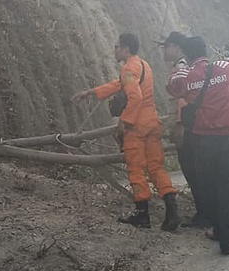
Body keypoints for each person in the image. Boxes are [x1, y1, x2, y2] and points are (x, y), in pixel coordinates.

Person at [73, 33, 180, 231]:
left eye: (116, 47)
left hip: (137, 126)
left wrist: (124, 121)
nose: (114, 50)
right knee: (156, 167)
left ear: (125, 49)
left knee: (136, 169)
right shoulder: (143, 65)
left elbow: (135, 97)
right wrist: (92, 92)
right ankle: (172, 212)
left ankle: (142, 215)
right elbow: (119, 84)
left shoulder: (129, 67)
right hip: (152, 122)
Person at [166, 37, 229, 255]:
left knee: (210, 187)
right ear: (205, 52)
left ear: (187, 55)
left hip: (203, 141)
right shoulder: (222, 67)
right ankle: (227, 241)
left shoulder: (187, 75)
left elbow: (174, 88)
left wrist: (180, 67)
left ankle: (218, 229)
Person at [157, 32, 209, 228]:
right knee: (195, 171)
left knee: (194, 171)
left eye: (166, 46)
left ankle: (205, 214)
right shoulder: (184, 67)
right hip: (190, 126)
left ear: (176, 47)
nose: (164, 51)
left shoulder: (181, 68)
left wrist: (179, 125)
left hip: (187, 127)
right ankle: (204, 213)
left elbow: (183, 98)